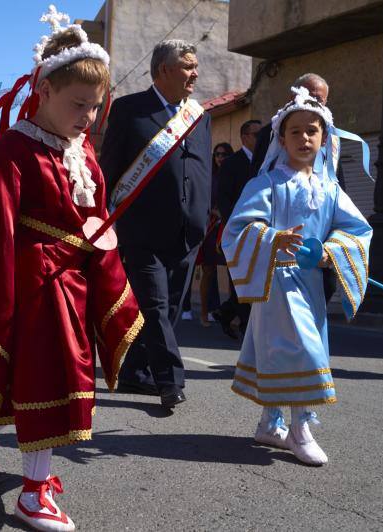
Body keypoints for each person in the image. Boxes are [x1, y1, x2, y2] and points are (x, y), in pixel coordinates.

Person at [0, 8, 142, 531]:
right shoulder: (14, 150)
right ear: (44, 91)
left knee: (25, 375)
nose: (87, 117)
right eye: (77, 104)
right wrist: (9, 288)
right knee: (52, 376)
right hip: (34, 283)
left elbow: (94, 216)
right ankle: (35, 492)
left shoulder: (82, 153)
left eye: (94, 107)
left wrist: (101, 238)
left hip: (72, 280)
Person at [222, 87, 372, 466]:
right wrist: (272, 239)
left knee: (282, 352)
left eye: (312, 131)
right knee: (302, 349)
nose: (304, 138)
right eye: (296, 131)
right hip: (275, 282)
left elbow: (357, 229)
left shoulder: (330, 189)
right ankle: (301, 427)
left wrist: (329, 250)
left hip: (309, 286)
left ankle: (269, 422)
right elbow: (237, 229)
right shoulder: (266, 184)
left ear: (324, 138)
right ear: (281, 138)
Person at [99, 39, 212, 408]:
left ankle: (135, 372)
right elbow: (111, 169)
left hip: (188, 232)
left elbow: (201, 170)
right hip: (142, 231)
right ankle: (170, 381)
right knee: (156, 307)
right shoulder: (130, 110)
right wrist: (104, 220)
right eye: (188, 66)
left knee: (171, 310)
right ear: (164, 70)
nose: (195, 73)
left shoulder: (199, 115)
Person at [250, 74, 347, 306]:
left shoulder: (332, 138)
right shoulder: (270, 139)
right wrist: (272, 237)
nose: (304, 139)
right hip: (283, 244)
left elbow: (338, 184)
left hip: (318, 241)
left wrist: (334, 246)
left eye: (321, 100)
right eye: (311, 96)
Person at [216, 120, 262, 337]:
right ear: (244, 137)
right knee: (239, 278)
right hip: (239, 230)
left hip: (261, 230)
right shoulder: (232, 163)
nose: (261, 138)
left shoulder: (266, 161)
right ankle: (243, 323)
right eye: (257, 134)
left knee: (255, 276)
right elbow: (223, 196)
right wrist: (234, 223)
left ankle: (226, 313)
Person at [197, 142, 233, 327]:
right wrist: (213, 212)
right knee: (208, 271)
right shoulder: (208, 177)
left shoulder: (233, 174)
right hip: (212, 227)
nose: (220, 158)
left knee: (232, 271)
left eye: (224, 154)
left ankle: (230, 314)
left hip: (229, 227)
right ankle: (204, 313)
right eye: (217, 154)